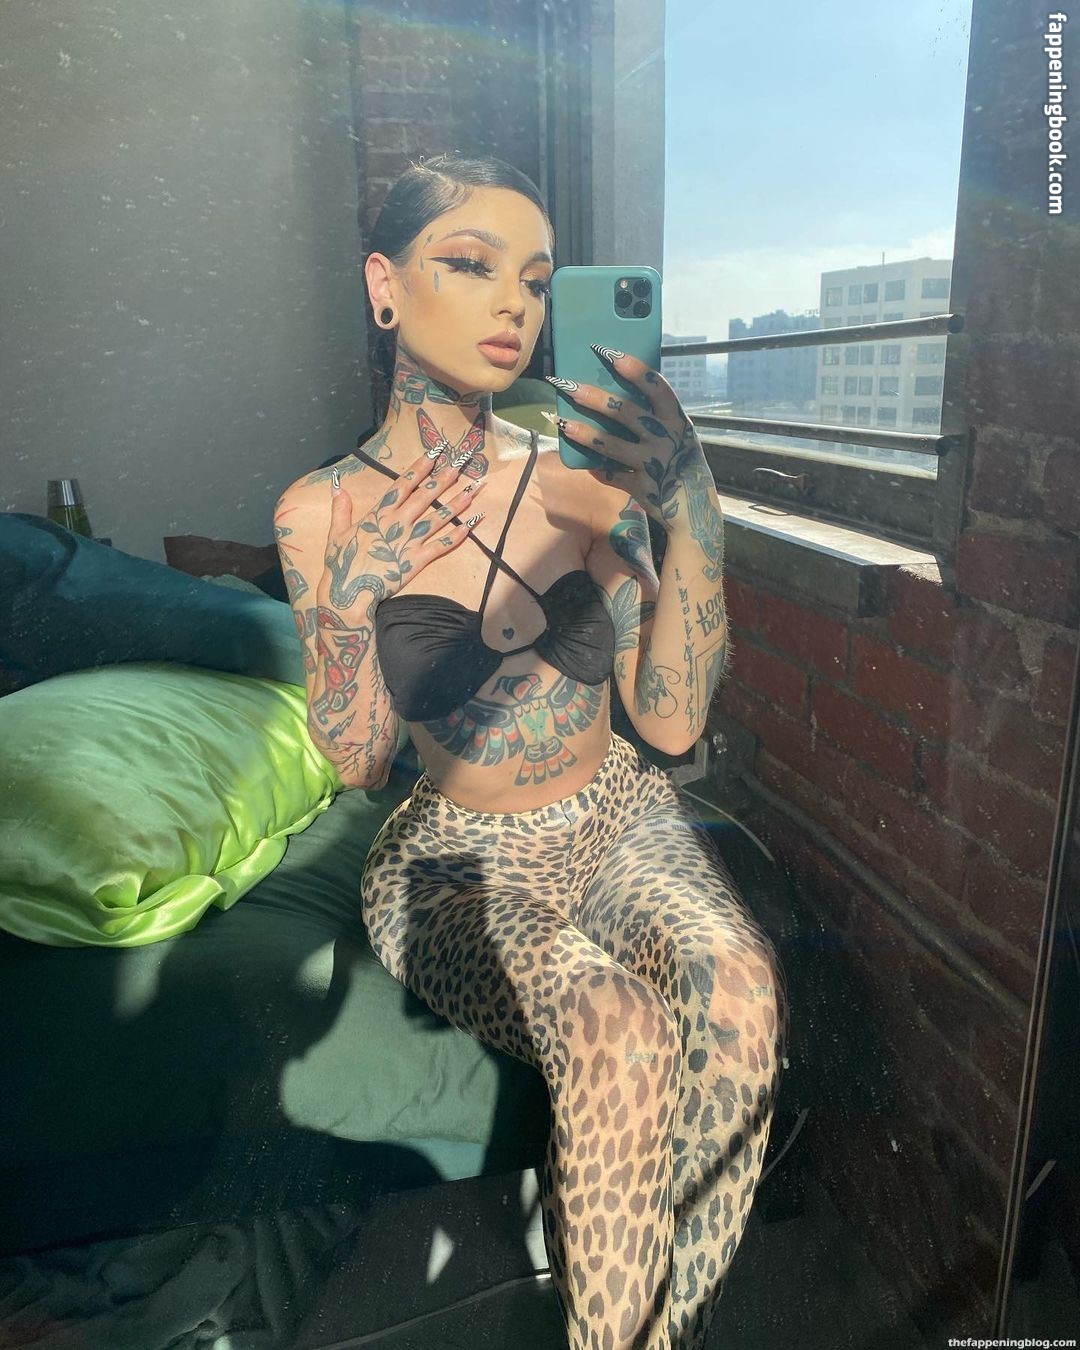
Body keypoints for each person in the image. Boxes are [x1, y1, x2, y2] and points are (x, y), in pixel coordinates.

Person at [274, 152, 789, 1350]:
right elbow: (357, 761)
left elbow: (670, 723)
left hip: (615, 811)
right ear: (385, 286)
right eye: (471, 264)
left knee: (741, 990)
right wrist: (357, 593)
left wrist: (691, 509)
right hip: (455, 851)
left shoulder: (579, 474)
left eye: (539, 279)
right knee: (618, 1032)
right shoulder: (322, 510)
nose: (515, 303)